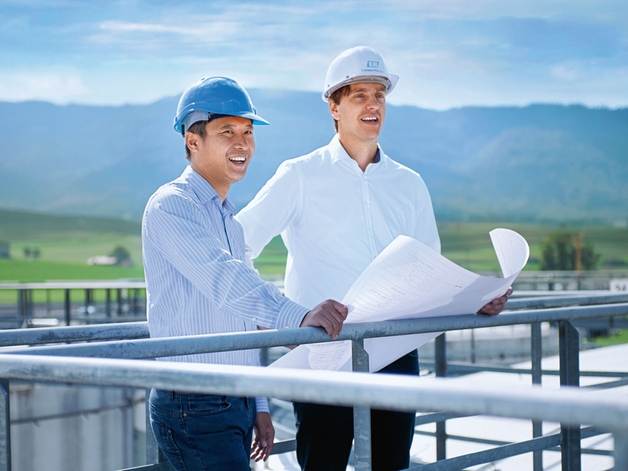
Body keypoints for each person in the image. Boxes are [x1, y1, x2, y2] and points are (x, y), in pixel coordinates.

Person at [235, 46, 512, 471]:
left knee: (391, 465)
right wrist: (282, 316)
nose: (372, 104)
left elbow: (430, 273)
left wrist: (472, 301)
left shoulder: (410, 184)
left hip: (395, 353)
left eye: (379, 94)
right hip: (322, 354)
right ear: (334, 106)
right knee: (322, 464)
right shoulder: (299, 175)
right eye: (359, 94)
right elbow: (237, 246)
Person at [141, 76, 348, 471]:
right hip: (194, 402)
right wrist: (296, 319)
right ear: (193, 140)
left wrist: (259, 402)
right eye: (227, 132)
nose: (243, 143)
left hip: (231, 399)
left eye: (248, 132)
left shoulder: (229, 221)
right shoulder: (171, 206)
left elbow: (242, 318)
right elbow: (225, 281)